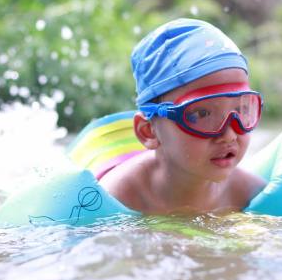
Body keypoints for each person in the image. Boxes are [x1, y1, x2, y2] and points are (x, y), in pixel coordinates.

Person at [98, 18, 267, 215]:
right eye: (202, 113)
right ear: (149, 132)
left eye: (241, 110)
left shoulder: (250, 194)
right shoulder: (117, 198)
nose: (230, 134)